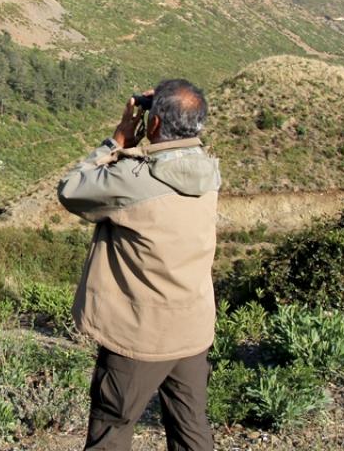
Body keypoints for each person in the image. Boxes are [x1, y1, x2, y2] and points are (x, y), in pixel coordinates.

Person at [57, 79, 220, 451]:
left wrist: (118, 140)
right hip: (191, 329)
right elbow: (178, 152)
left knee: (112, 428)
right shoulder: (209, 173)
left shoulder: (135, 179)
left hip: (140, 334)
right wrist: (160, 115)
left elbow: (71, 190)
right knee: (191, 429)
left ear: (156, 125)